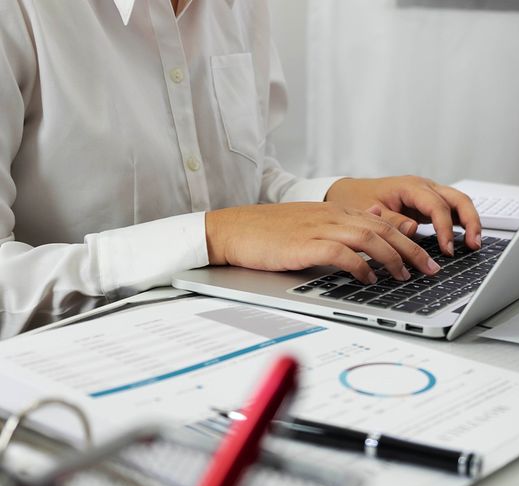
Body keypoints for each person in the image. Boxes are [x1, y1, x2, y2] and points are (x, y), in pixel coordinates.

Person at [0, 0, 481, 340]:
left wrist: (335, 197)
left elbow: (247, 183)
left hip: (238, 336)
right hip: (78, 376)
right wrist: (212, 237)